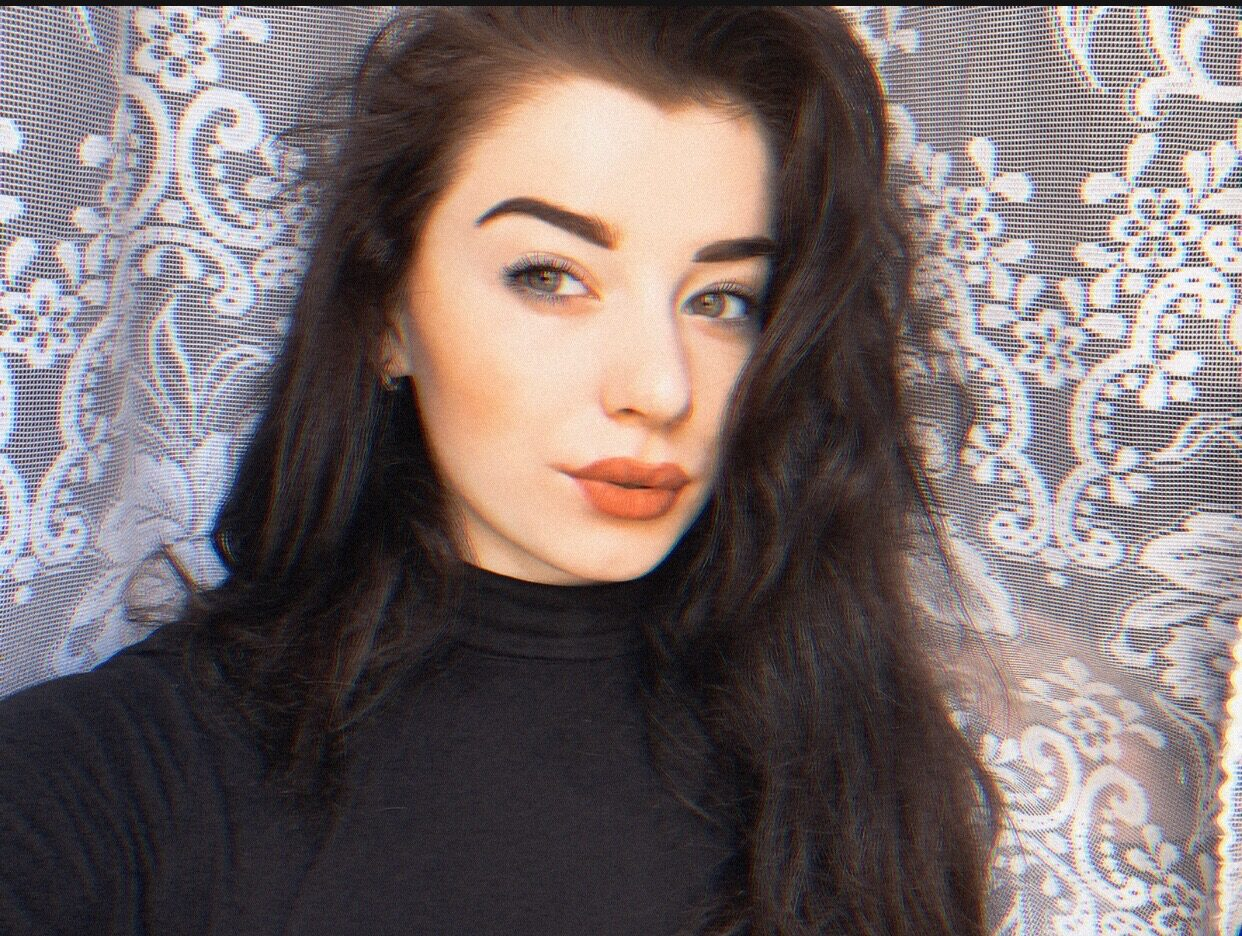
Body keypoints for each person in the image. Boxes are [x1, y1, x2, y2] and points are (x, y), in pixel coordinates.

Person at [0, 7, 1000, 935]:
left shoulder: (851, 763)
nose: (660, 387)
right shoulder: (105, 783)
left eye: (723, 299)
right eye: (551, 278)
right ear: (387, 314)